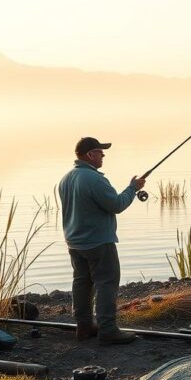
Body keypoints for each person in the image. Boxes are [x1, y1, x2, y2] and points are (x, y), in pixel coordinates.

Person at [58, 137, 146, 344]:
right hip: (98, 242)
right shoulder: (94, 179)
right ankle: (107, 330)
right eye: (100, 152)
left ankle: (84, 327)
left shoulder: (66, 178)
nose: (103, 155)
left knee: (82, 283)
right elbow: (116, 205)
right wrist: (132, 188)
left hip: (74, 242)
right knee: (106, 283)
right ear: (89, 155)